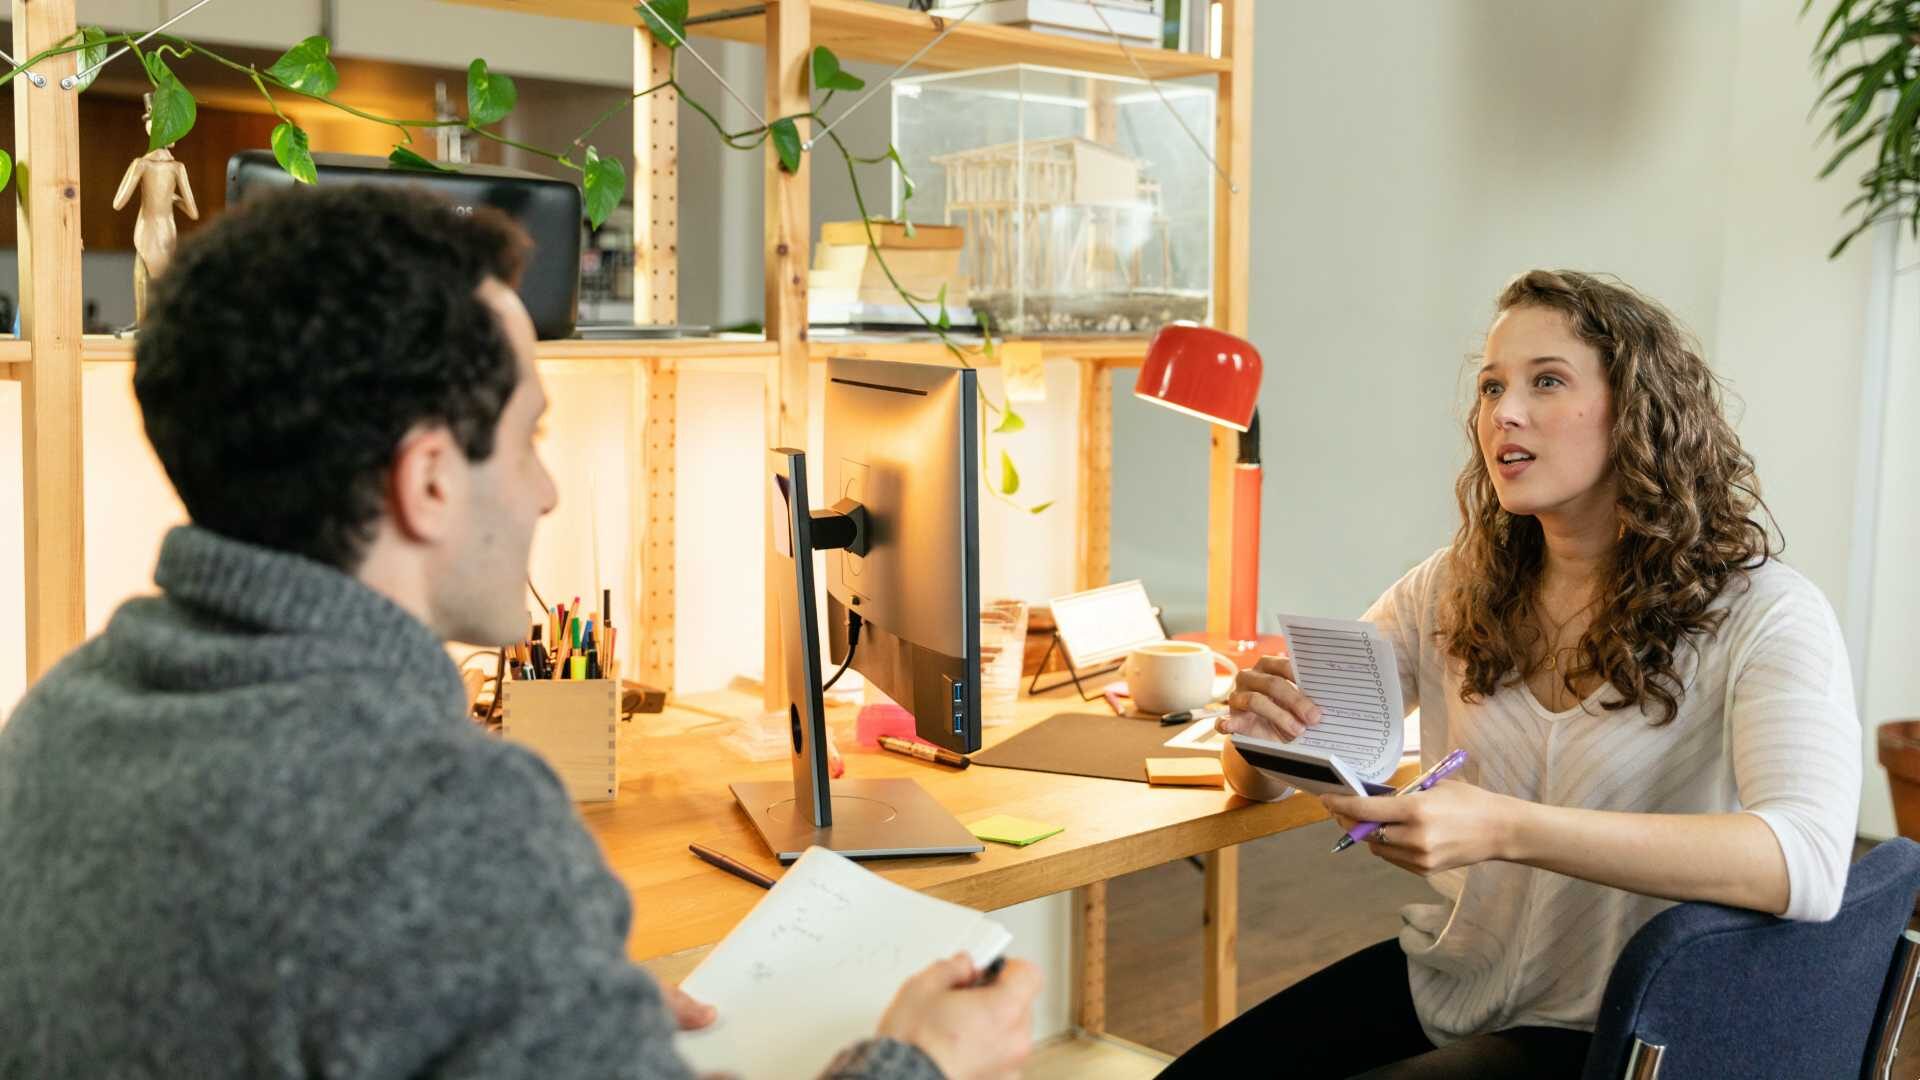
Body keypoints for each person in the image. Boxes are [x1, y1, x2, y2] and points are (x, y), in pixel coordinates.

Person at [0, 185, 1039, 1079]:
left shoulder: (57, 722)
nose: (544, 491)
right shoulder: (451, 820)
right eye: (529, 436)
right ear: (431, 480)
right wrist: (922, 1060)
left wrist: (544, 1001)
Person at [1164, 270, 1860, 1079]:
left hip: (1634, 1031)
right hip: (1457, 985)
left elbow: (1807, 863)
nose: (1505, 412)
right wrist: (1258, 738)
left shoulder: (1767, 612)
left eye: (1547, 381)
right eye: (1493, 386)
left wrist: (1506, 827)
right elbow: (1285, 769)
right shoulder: (1453, 584)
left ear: (1638, 412)